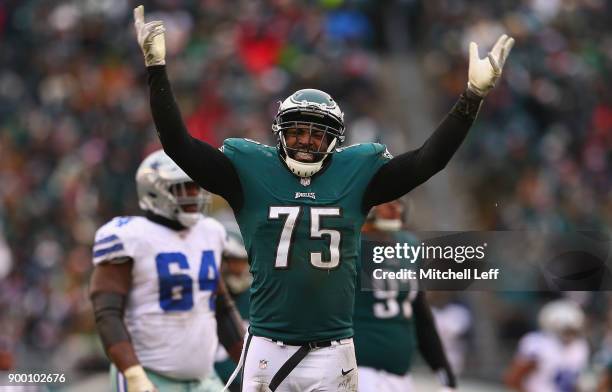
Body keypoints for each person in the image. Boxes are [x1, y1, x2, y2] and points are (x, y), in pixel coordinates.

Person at [133, 5, 514, 391]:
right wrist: (156, 69)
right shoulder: (249, 172)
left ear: (334, 141)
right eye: (298, 131)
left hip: (335, 350)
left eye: (317, 134)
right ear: (280, 132)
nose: (306, 141)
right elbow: (178, 145)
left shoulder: (357, 175)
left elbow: (428, 161)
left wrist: (471, 98)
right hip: (268, 345)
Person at [89, 150, 244, 392]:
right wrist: (133, 374)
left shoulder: (210, 232)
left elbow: (222, 310)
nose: (194, 195)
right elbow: (107, 313)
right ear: (155, 191)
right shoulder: (130, 236)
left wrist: (251, 365)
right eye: (184, 188)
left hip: (204, 379)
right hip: (151, 377)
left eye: (196, 187)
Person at [354, 200, 456, 392]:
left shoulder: (409, 245)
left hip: (400, 373)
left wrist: (441, 367)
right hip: (359, 372)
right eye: (387, 200)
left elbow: (421, 315)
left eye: (399, 200)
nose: (395, 207)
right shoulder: (349, 246)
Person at [504, 299, 589, 392]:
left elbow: (573, 383)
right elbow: (513, 379)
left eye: (574, 331)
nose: (570, 336)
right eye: (567, 330)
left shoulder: (580, 347)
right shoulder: (538, 343)